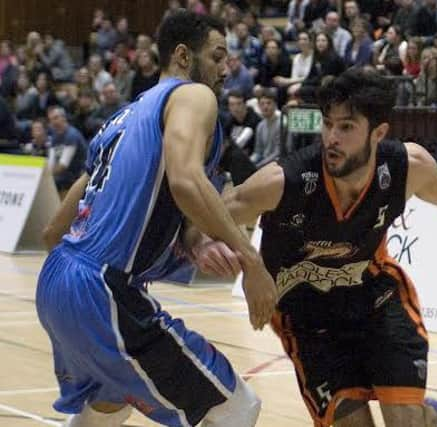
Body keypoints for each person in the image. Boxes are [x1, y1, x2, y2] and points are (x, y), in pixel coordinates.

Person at [210, 68, 437, 426]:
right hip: (308, 318)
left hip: (376, 300)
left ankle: (433, 420)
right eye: (327, 124)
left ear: (378, 133)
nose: (331, 138)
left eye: (346, 127)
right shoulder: (286, 180)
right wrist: (250, 266)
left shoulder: (407, 165)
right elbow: (214, 213)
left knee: (405, 419)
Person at [36, 11, 276, 427]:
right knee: (237, 407)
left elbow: (52, 232)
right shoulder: (193, 96)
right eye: (217, 56)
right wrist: (251, 261)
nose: (226, 68)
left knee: (111, 402)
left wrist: (192, 240)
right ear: (183, 56)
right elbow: (186, 181)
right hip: (103, 288)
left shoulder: (123, 119)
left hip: (57, 281)